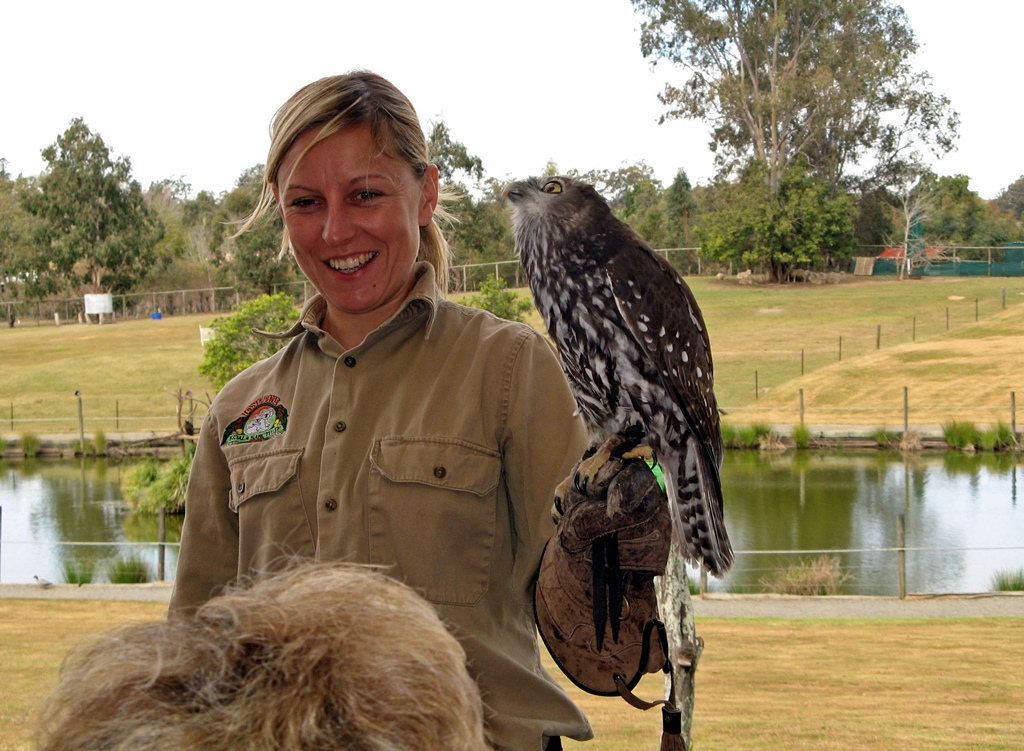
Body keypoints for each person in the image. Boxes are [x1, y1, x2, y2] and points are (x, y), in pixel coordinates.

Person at [169, 70, 593, 751]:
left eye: (365, 194)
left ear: (424, 193)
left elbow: (598, 623)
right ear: (280, 209)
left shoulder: (511, 370)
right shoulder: (238, 409)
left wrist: (629, 544)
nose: (336, 230)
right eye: (306, 202)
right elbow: (193, 645)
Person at [38, 563, 489, 751]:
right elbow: (194, 621)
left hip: (434, 719)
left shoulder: (510, 371)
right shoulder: (240, 404)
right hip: (226, 714)